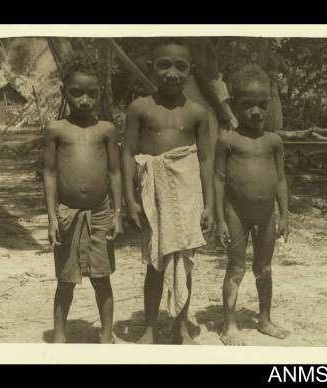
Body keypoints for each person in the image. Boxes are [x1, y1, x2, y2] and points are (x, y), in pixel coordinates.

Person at [122, 38, 215, 344]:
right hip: (153, 196)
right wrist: (130, 199)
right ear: (151, 68)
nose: (171, 73)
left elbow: (204, 158)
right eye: (163, 65)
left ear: (191, 71)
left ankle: (181, 326)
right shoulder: (140, 108)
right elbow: (128, 154)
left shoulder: (198, 113)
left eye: (180, 66)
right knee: (154, 261)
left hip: (188, 195)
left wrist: (209, 205)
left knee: (184, 261)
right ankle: (150, 327)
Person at [43, 51, 123, 344]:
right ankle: (60, 334)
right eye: (77, 93)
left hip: (100, 212)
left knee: (102, 277)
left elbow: (114, 172)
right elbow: (50, 173)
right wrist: (51, 218)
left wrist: (116, 214)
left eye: (91, 93)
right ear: (65, 92)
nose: (84, 100)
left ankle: (105, 334)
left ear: (100, 93)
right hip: (66, 212)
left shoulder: (106, 130)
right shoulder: (56, 129)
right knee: (65, 280)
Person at [214, 65, 290, 346]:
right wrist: (220, 219)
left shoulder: (274, 142)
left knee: (264, 267)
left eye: (263, 105)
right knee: (235, 268)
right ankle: (229, 325)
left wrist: (285, 215)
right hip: (236, 213)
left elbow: (281, 179)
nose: (256, 112)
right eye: (248, 105)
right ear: (234, 105)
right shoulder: (228, 140)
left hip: (266, 214)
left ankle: (265, 319)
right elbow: (219, 179)